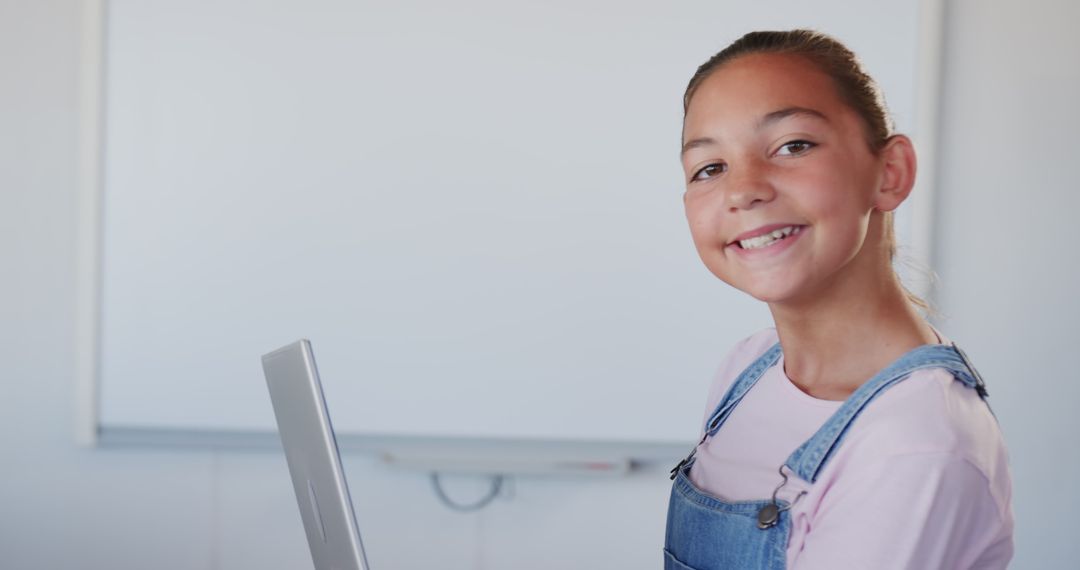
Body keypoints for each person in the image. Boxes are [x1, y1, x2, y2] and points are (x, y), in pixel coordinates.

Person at [664, 30, 1013, 570]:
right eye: (710, 168)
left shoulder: (915, 444)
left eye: (792, 145)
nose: (743, 190)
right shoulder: (748, 368)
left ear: (889, 172)